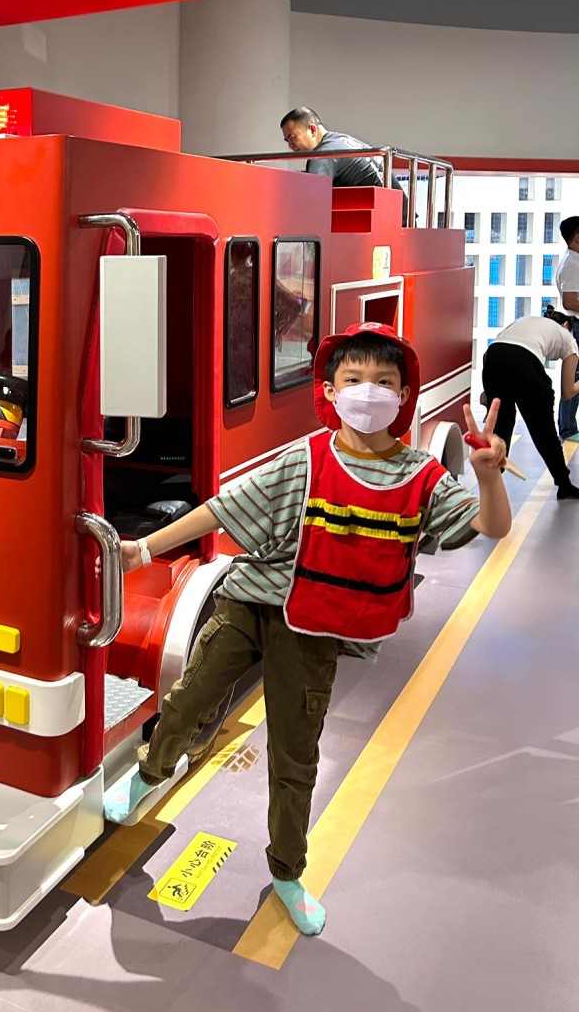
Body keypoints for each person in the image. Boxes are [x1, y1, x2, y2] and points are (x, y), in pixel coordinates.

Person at [104, 322, 511, 937]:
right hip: (248, 606)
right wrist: (145, 549)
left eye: (383, 382)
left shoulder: (421, 476)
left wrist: (487, 475)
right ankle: (149, 777)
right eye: (354, 380)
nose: (368, 392)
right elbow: (225, 507)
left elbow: (490, 527)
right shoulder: (307, 457)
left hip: (315, 630)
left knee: (295, 757)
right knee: (187, 702)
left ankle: (288, 873)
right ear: (331, 390)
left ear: (404, 395)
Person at [481, 309, 579, 499]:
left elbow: (492, 352)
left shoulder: (526, 321)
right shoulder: (569, 340)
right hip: (524, 359)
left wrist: (489, 395)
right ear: (566, 324)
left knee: (502, 425)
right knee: (543, 428)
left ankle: (492, 483)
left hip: (494, 355)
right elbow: (567, 392)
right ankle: (564, 484)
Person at [280, 107, 384, 189]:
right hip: (389, 200)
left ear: (312, 130)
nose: (290, 145)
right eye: (287, 141)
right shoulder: (341, 140)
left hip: (378, 205)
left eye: (292, 137)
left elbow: (313, 197)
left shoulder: (323, 155)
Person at [554, 215, 579, 441]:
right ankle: (568, 429)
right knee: (574, 377)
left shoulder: (573, 260)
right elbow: (570, 301)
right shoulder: (572, 264)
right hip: (577, 324)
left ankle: (568, 426)